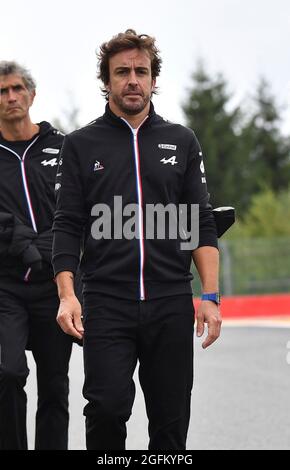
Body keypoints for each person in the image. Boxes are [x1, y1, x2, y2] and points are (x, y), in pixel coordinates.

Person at [52, 29, 221, 451]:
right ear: (106, 81)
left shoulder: (182, 141)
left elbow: (200, 221)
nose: (133, 80)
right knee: (107, 408)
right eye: (122, 72)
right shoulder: (79, 144)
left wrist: (212, 296)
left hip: (169, 299)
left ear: (153, 79)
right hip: (107, 301)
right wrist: (67, 296)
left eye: (141, 71)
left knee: (170, 421)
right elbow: (67, 225)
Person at [0, 61, 73, 450]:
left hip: (53, 285)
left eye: (17, 88)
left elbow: (78, 212)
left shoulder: (63, 146)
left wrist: (48, 247)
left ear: (32, 94)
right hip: (6, 287)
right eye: (2, 91)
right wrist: (20, 241)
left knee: (55, 385)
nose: (11, 97)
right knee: (9, 373)